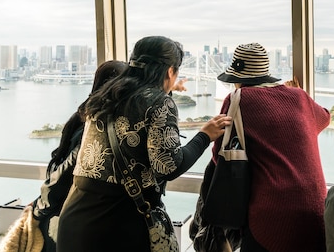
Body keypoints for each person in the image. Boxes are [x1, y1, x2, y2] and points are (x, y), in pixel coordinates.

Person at [56, 36, 231, 252]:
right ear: (170, 71)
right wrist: (204, 135)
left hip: (76, 219)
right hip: (119, 225)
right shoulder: (159, 102)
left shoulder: (106, 95)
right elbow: (167, 166)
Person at [195, 42, 330, 252]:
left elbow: (219, 154)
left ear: (237, 79)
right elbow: (324, 118)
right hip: (317, 211)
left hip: (271, 217)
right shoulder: (299, 97)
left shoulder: (237, 99)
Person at [31, 60, 128, 252]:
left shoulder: (83, 116)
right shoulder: (97, 128)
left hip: (67, 215)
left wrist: (40, 208)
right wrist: (39, 208)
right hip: (77, 218)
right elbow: (67, 171)